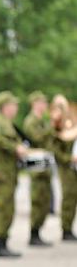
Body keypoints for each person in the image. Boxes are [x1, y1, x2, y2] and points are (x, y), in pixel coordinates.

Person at [0, 91, 27, 257]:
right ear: (5, 107)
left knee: (9, 208)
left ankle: (3, 242)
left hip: (9, 172)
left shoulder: (7, 122)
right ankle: (0, 244)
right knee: (5, 208)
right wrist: (15, 147)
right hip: (3, 173)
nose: (16, 108)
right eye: (13, 105)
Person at [22, 91, 54, 246]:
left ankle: (38, 231)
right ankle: (33, 234)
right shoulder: (31, 121)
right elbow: (37, 138)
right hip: (36, 165)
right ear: (35, 104)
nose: (45, 106)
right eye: (42, 103)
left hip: (45, 164)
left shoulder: (42, 121)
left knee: (45, 200)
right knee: (37, 200)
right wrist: (50, 127)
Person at [49, 94, 77, 241]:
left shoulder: (70, 121)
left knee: (73, 197)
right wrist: (68, 158)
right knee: (68, 196)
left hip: (73, 165)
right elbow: (56, 149)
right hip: (66, 165)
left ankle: (69, 227)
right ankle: (66, 229)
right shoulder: (54, 124)